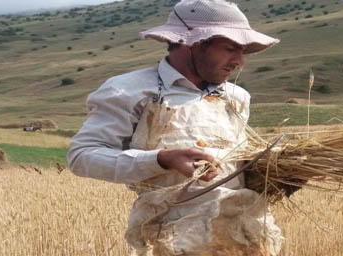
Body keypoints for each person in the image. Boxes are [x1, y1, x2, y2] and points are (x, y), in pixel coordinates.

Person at [66, 0, 282, 254]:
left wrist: (278, 168)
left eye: (243, 51)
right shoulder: (129, 90)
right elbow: (82, 156)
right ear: (193, 43)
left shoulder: (236, 97)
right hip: (168, 237)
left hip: (241, 236)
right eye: (230, 49)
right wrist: (161, 160)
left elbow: (239, 166)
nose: (240, 61)